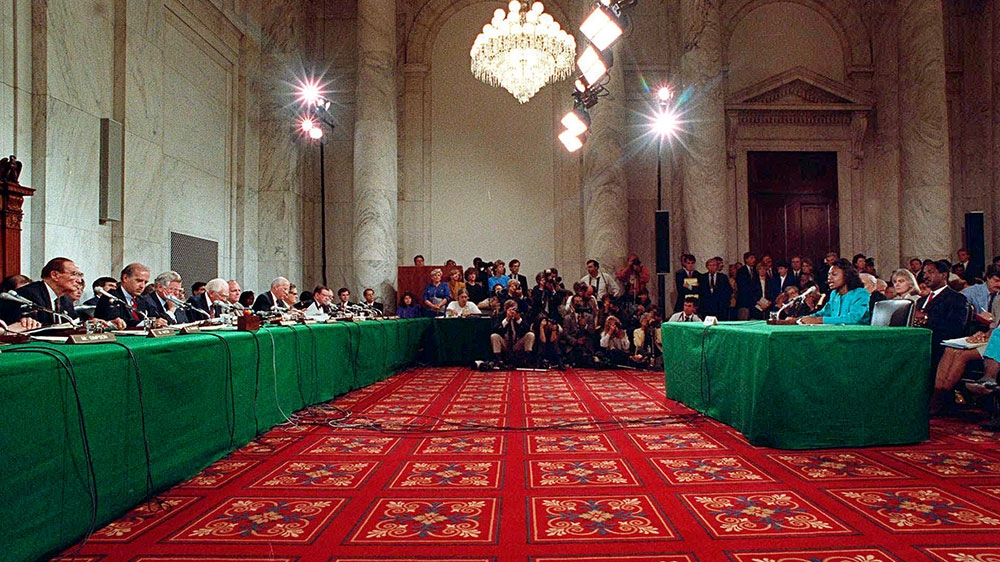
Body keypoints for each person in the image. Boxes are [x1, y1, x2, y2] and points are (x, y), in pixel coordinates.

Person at [914, 260, 971, 367]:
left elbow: (956, 328)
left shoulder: (956, 299)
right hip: (919, 344)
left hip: (940, 348)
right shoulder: (920, 301)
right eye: (924, 273)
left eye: (930, 272)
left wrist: (926, 317)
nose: (925, 276)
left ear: (944, 275)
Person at [0, 257, 82, 328]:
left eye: (80, 276)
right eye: (74, 274)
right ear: (55, 275)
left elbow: (73, 324)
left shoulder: (66, 299)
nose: (79, 280)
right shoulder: (29, 294)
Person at [799, 259, 871, 325]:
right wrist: (801, 319)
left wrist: (819, 320)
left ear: (846, 275)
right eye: (829, 274)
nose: (829, 278)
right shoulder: (834, 294)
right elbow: (823, 313)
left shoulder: (861, 294)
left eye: (834, 274)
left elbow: (852, 318)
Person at [95, 262, 152, 329]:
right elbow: (117, 321)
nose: (142, 286)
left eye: (145, 282)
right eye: (138, 281)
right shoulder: (110, 297)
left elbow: (154, 315)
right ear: (125, 278)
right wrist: (143, 323)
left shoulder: (141, 299)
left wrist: (158, 321)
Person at [490, 299, 535, 367]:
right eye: (512, 309)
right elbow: (495, 329)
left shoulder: (521, 315)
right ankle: (498, 360)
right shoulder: (500, 315)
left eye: (515, 309)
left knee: (530, 335)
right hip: (505, 342)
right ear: (506, 309)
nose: (514, 311)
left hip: (517, 343)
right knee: (494, 336)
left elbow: (526, 329)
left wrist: (518, 320)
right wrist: (507, 319)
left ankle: (527, 359)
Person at [561, 294, 597, 366]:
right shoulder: (567, 318)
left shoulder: (589, 317)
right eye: (576, 301)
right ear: (572, 303)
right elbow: (565, 334)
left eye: (580, 301)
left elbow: (592, 331)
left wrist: (585, 326)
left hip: (586, 343)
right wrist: (576, 341)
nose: (579, 303)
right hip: (573, 344)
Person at [734, 252, 758, 320]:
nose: (754, 260)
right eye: (751, 258)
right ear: (746, 259)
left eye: (754, 258)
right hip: (744, 302)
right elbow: (743, 287)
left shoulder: (755, 271)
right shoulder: (741, 271)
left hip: (754, 303)